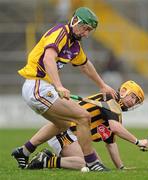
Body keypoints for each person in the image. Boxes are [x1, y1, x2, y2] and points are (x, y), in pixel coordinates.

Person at [11, 7, 117, 172]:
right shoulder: (61, 33)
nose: (86, 34)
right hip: (37, 85)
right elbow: (48, 58)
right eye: (85, 28)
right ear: (75, 21)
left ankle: (24, 151)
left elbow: (85, 65)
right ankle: (92, 162)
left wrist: (102, 85)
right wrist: (58, 85)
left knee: (63, 124)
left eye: (90, 30)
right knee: (83, 116)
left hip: (38, 88)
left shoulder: (74, 45)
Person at [26, 80, 148, 171]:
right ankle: (45, 161)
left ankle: (51, 156)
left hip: (75, 136)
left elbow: (111, 144)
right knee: (87, 164)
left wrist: (121, 168)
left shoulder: (116, 113)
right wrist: (138, 142)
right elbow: (116, 128)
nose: (133, 102)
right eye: (133, 97)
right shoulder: (109, 99)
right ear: (123, 91)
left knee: (97, 164)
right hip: (65, 131)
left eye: (136, 101)